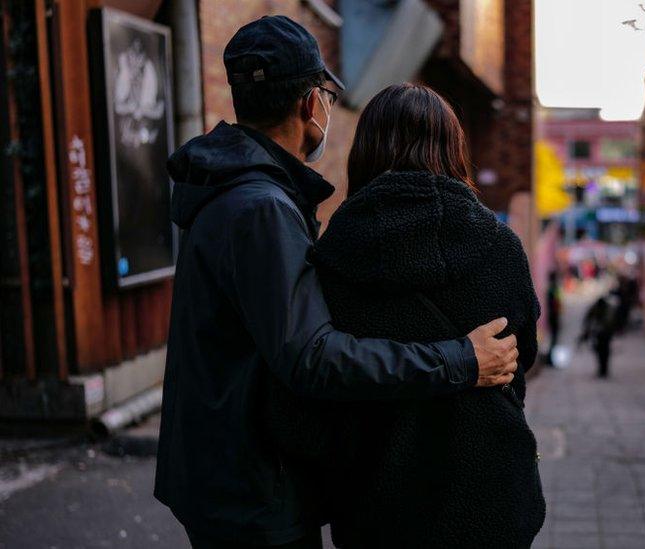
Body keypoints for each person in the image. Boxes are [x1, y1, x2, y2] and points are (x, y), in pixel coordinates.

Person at [155, 17, 518, 549]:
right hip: (252, 489)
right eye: (326, 95)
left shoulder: (237, 192)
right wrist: (461, 360)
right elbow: (313, 358)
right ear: (309, 104)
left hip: (227, 473)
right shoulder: (262, 209)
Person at [268, 83, 546, 548]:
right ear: (453, 150)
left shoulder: (335, 254)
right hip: (489, 496)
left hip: (377, 503)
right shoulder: (499, 247)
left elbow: (324, 379)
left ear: (367, 152)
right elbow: (524, 356)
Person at [580, 294, 618, 378]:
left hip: (606, 333)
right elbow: (588, 318)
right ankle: (602, 370)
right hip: (599, 334)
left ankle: (604, 370)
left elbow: (611, 322)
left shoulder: (608, 309)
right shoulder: (596, 307)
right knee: (600, 352)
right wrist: (588, 331)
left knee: (604, 352)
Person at [545, 270, 562, 366]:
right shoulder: (554, 288)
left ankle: (550, 358)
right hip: (554, 316)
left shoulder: (550, 288)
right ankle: (550, 359)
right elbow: (556, 303)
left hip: (552, 315)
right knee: (554, 339)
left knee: (553, 338)